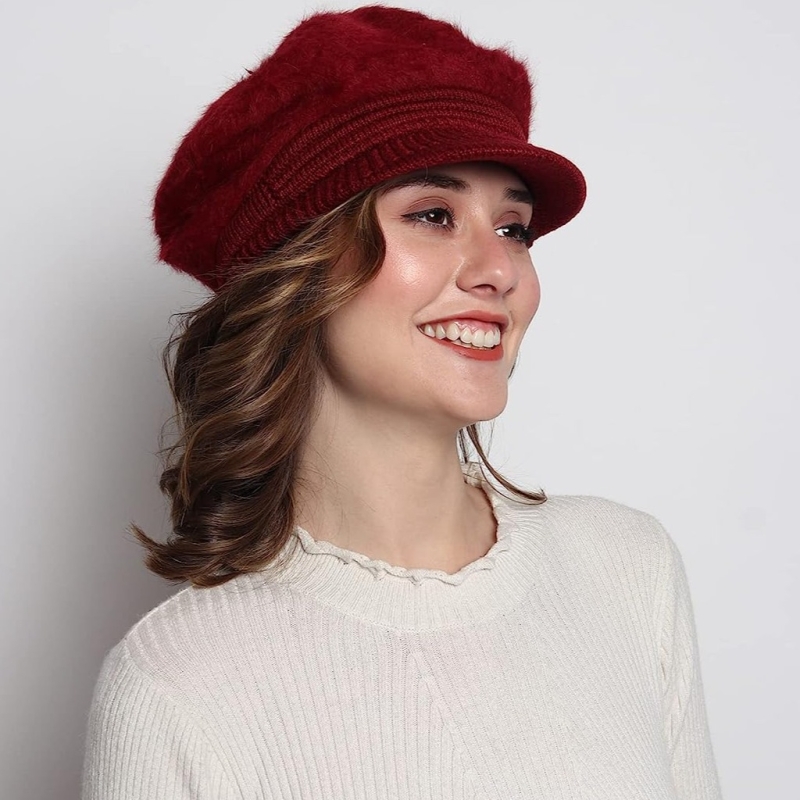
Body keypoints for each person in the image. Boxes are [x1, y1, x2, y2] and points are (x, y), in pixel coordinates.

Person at [81, 6, 723, 799]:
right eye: (433, 215)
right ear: (299, 269)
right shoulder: (177, 683)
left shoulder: (627, 570)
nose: (499, 271)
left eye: (514, 228)